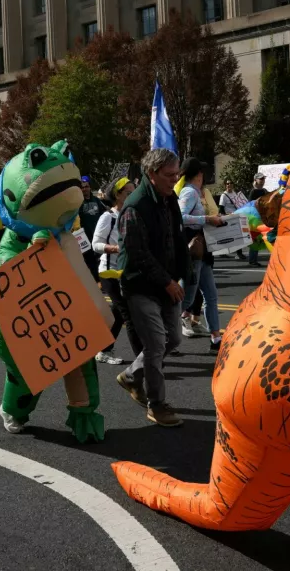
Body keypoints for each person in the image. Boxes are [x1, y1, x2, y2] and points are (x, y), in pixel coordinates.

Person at [115, 149, 191, 428]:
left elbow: (177, 238)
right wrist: (167, 282)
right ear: (152, 173)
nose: (175, 179)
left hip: (167, 282)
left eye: (177, 174)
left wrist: (185, 274)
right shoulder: (135, 206)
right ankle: (156, 404)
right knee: (157, 344)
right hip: (140, 285)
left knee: (174, 339)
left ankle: (132, 375)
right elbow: (137, 254)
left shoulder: (169, 199)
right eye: (170, 175)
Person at [92, 176, 141, 365]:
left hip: (127, 272)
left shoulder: (132, 214)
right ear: (118, 195)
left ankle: (103, 349)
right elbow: (95, 244)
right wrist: (115, 248)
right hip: (109, 272)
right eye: (128, 193)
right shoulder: (108, 217)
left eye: (133, 192)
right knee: (129, 314)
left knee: (118, 314)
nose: (131, 196)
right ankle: (142, 361)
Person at [177, 158, 225, 352]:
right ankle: (163, 334)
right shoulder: (189, 191)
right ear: (198, 175)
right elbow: (180, 217)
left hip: (202, 251)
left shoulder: (198, 192)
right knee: (187, 299)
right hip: (194, 250)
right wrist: (206, 218)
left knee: (211, 296)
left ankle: (216, 338)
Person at [78, 176, 107, 281]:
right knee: (89, 260)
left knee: (100, 258)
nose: (84, 189)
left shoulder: (97, 201)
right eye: (82, 187)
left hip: (97, 235)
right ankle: (95, 281)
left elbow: (104, 213)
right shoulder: (77, 202)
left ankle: (103, 280)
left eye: (86, 186)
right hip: (84, 238)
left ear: (90, 187)